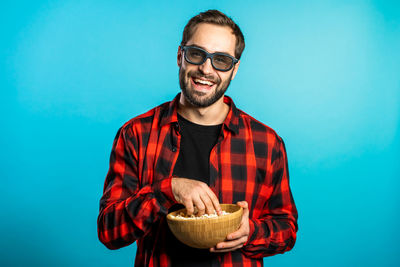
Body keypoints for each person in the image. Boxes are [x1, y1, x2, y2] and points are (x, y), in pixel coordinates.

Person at [97, 9, 298, 267]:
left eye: (222, 60)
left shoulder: (267, 143)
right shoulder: (137, 134)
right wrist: (167, 190)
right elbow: (109, 232)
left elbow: (286, 228)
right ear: (180, 56)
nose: (206, 69)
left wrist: (252, 233)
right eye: (196, 54)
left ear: (234, 69)